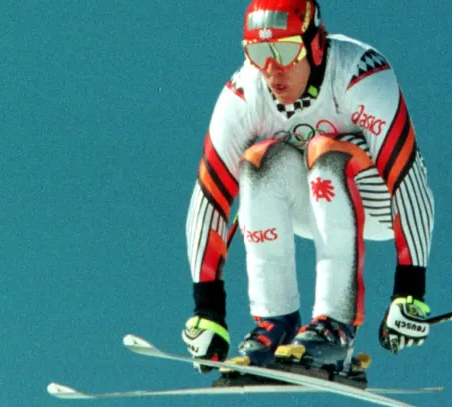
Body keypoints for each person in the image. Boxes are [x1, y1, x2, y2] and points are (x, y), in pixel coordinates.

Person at [182, 0, 435, 376]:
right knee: (258, 163)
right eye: (259, 52)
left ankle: (335, 325)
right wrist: (208, 310)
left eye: (284, 51)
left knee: (325, 153)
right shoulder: (245, 92)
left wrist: (409, 290)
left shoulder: (359, 74)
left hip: (380, 202)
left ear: (315, 45)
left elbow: (409, 180)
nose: (272, 70)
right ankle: (276, 323)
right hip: (311, 205)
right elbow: (209, 197)